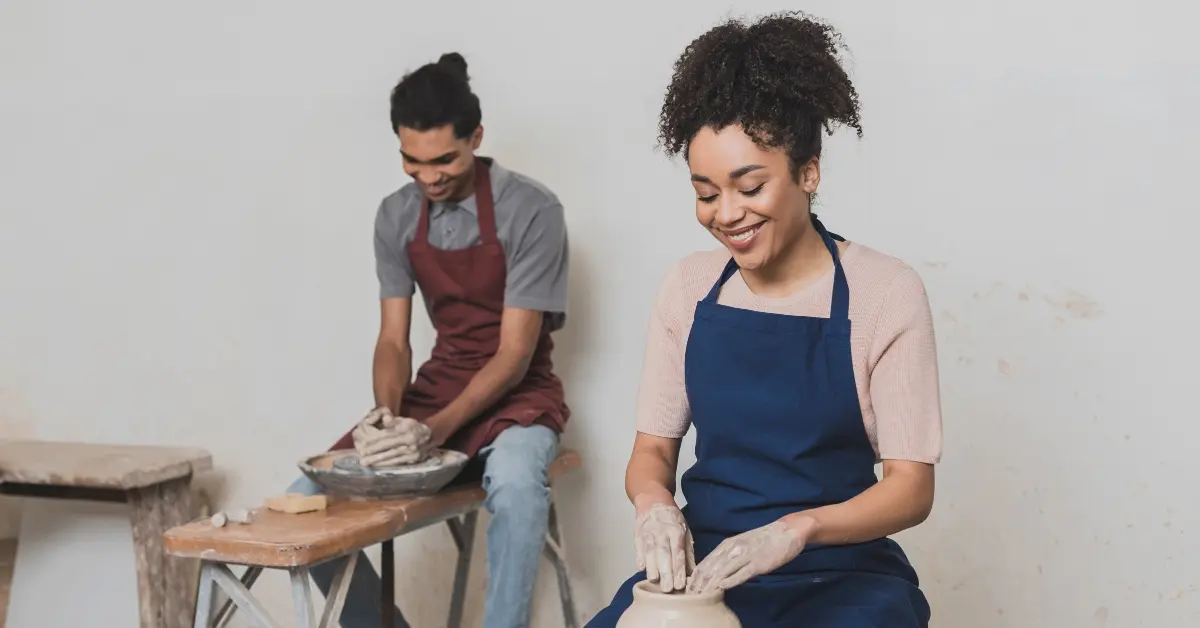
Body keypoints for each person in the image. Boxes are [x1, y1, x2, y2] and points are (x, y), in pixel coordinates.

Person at [586, 12, 942, 627]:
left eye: (749, 186)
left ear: (808, 171)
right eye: (705, 193)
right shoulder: (688, 288)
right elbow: (651, 451)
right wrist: (654, 505)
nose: (727, 214)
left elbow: (911, 487)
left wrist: (798, 530)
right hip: (710, 570)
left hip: (843, 574)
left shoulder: (885, 292)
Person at [287, 52, 571, 628]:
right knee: (302, 501)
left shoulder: (532, 210)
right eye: (411, 162)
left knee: (516, 485)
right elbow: (393, 341)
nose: (429, 177)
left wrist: (433, 431)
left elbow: (515, 355)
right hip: (436, 390)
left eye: (444, 159)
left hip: (517, 397)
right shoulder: (394, 217)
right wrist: (388, 418)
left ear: (477, 137)